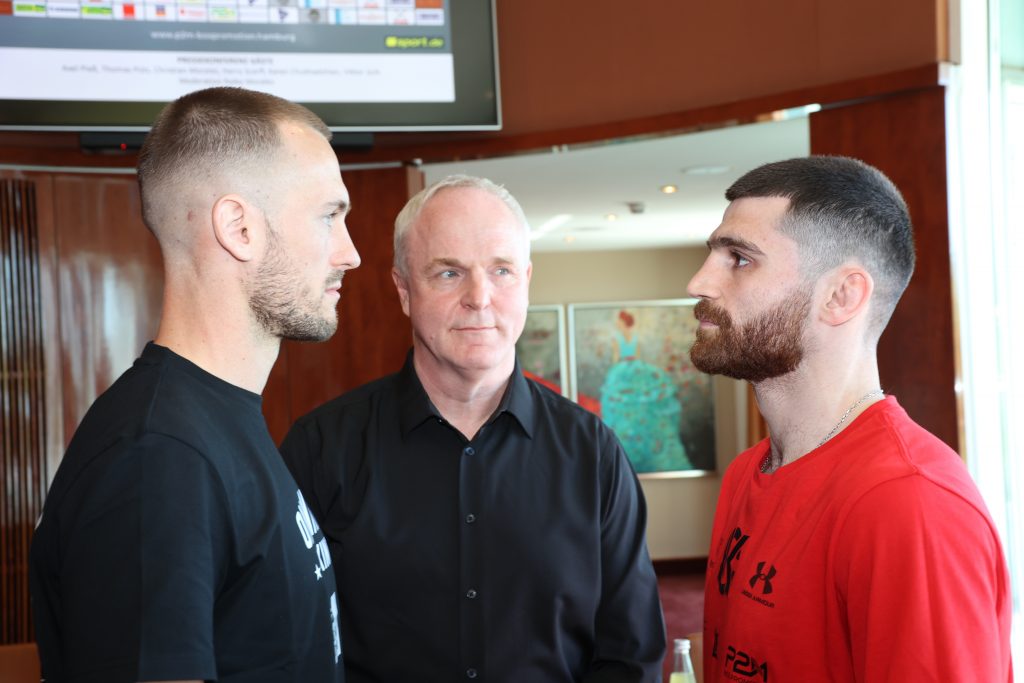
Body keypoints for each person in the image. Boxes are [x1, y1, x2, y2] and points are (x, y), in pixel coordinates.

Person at [29, 87, 361, 683]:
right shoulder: (157, 459)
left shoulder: (217, 422)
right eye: (329, 216)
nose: (350, 253)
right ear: (239, 229)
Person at [279, 174, 666, 683]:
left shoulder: (593, 453)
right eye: (447, 273)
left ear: (526, 281)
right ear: (403, 290)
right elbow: (289, 642)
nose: (479, 297)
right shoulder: (321, 447)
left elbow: (630, 653)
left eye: (501, 270)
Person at [688, 156, 1012, 682]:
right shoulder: (747, 473)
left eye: (739, 259)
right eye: (713, 255)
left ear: (842, 295)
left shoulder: (909, 504)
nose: (698, 282)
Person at [599, 309, 691, 473]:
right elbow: (635, 356)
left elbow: (616, 358)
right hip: (635, 370)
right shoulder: (633, 338)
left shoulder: (620, 339)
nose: (618, 324)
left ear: (622, 323)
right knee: (634, 406)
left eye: (619, 322)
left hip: (624, 370)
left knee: (633, 406)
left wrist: (617, 373)